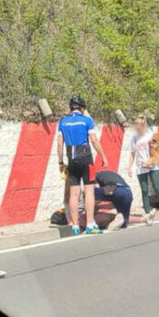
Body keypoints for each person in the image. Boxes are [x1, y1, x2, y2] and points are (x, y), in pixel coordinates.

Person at [57, 96, 109, 235]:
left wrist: (61, 162)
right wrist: (103, 157)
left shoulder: (63, 121)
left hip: (71, 159)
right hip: (86, 159)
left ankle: (75, 226)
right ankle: (90, 225)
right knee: (89, 191)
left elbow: (60, 144)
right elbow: (94, 140)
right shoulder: (87, 120)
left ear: (71, 107)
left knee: (74, 194)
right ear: (82, 108)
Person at [130, 115, 159, 225]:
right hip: (141, 166)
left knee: (157, 187)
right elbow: (132, 153)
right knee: (144, 190)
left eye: (138, 125)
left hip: (153, 165)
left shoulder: (150, 135)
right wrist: (129, 167)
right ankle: (148, 214)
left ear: (143, 125)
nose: (137, 127)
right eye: (135, 125)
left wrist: (152, 160)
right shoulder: (134, 138)